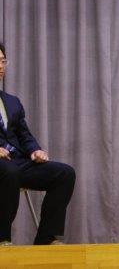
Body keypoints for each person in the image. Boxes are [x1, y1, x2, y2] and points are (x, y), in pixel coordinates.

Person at [0, 42, 75, 245]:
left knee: (64, 173)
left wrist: (35, 151)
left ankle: (45, 239)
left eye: (3, 61)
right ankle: (2, 238)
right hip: (4, 167)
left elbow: (24, 134)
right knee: (9, 172)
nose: (0, 66)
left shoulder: (12, 101)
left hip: (16, 162)